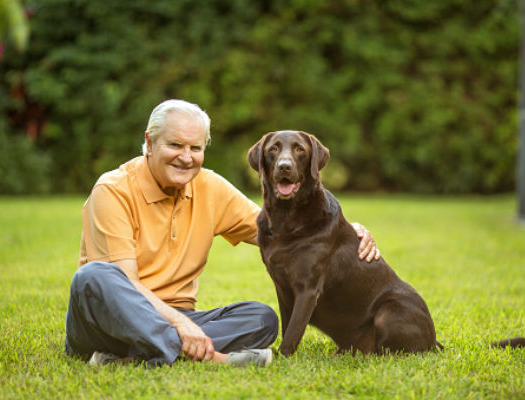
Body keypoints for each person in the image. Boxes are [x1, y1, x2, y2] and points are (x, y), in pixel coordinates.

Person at [64, 99, 380, 368]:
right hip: (107, 318)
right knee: (93, 276)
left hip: (179, 315)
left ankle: (130, 356)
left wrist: (341, 232)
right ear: (149, 142)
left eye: (195, 148)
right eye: (175, 145)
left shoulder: (209, 186)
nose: (186, 157)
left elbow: (276, 232)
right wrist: (180, 325)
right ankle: (214, 358)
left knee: (262, 318)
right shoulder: (113, 190)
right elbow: (127, 287)